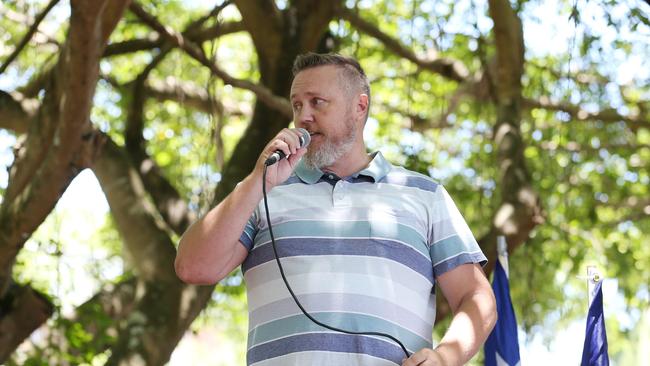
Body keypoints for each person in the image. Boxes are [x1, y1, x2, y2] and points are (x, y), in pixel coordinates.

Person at [175, 52, 497, 366]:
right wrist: (255, 182)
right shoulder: (260, 192)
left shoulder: (425, 195)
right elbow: (193, 267)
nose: (303, 116)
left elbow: (476, 298)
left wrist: (446, 357)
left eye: (317, 102)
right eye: (297, 104)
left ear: (359, 106)